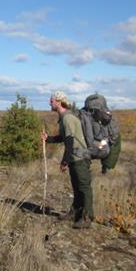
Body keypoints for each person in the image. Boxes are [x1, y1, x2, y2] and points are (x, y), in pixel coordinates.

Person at [41, 91, 94, 229]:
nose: (49, 103)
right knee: (77, 187)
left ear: (59, 102)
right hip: (75, 158)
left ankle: (87, 217)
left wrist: (64, 161)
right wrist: (49, 139)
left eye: (51, 101)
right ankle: (75, 213)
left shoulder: (67, 118)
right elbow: (64, 138)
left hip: (80, 158)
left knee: (84, 188)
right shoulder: (64, 117)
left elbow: (69, 142)